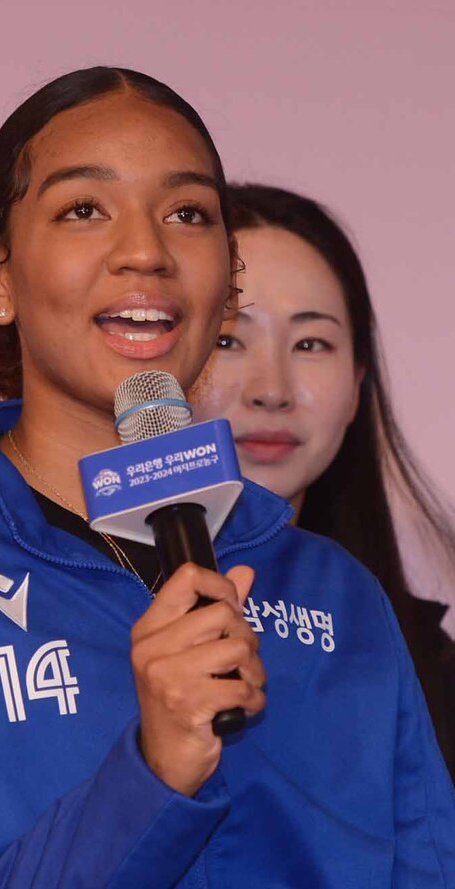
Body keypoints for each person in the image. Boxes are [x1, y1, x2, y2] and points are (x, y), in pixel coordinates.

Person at [0, 68, 454, 889]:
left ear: (229, 282)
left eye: (187, 214)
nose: (145, 253)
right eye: (84, 209)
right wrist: (152, 777)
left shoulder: (337, 593)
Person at [189, 183, 455, 779]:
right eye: (228, 339)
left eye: (311, 343)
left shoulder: (426, 666)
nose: (272, 390)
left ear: (358, 382)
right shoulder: (91, 627)